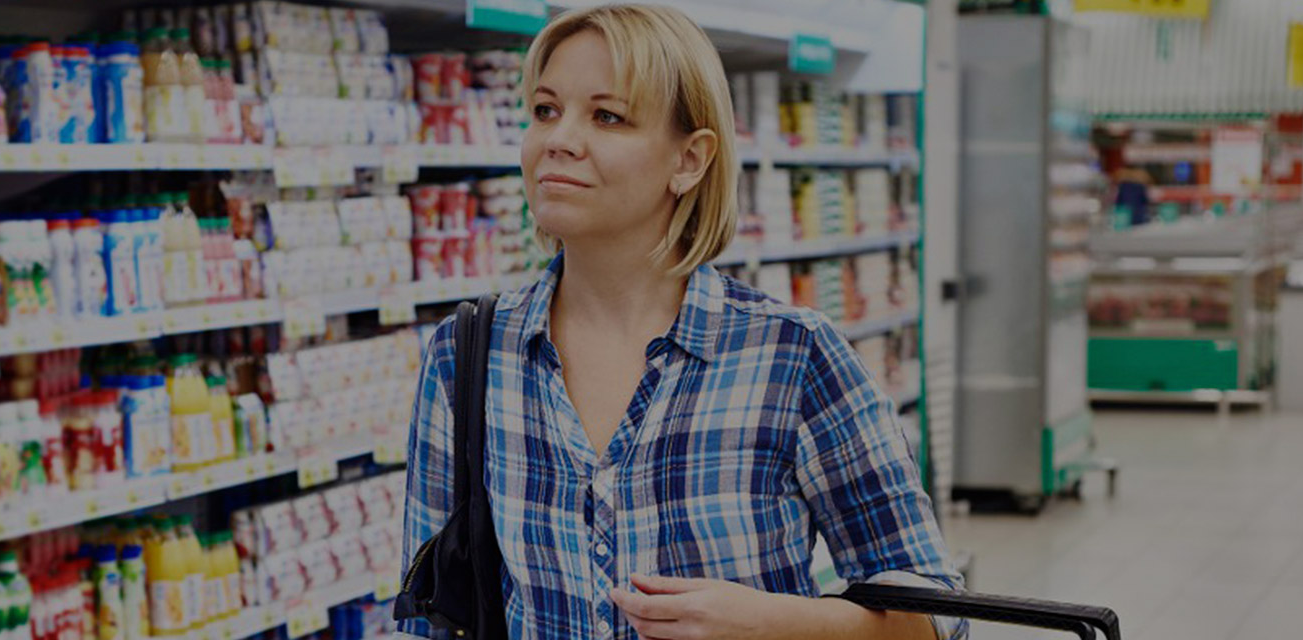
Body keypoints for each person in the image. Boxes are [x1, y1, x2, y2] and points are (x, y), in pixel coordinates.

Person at [401, 5, 966, 640]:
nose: (558, 139)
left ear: (690, 160)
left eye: (607, 116)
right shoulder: (469, 354)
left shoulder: (792, 356)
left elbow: (940, 614)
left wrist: (774, 625)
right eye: (545, 110)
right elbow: (429, 618)